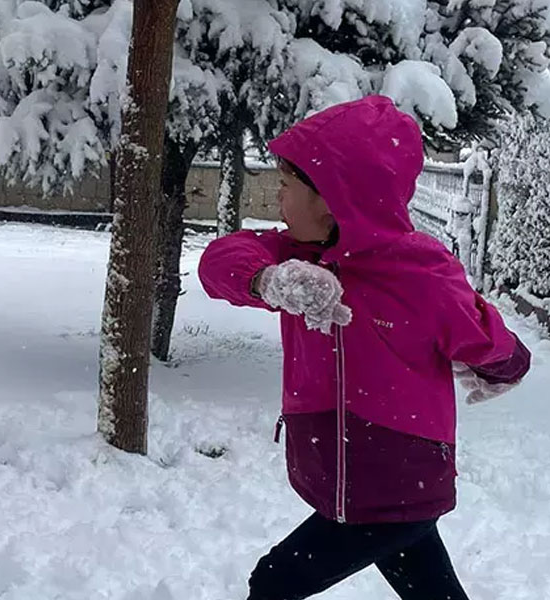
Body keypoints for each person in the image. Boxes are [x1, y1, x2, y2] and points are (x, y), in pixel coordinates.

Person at [198, 95, 531, 599]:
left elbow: (481, 332)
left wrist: (504, 366)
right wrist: (268, 281)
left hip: (398, 483)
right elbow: (219, 262)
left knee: (274, 582)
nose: (278, 201)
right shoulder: (296, 259)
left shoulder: (418, 271)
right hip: (353, 484)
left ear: (333, 197)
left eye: (286, 187)